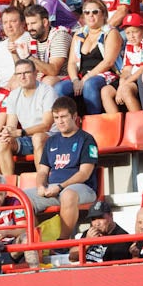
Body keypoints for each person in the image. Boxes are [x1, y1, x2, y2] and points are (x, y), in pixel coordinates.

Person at [31, 98, 99, 239]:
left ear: (74, 117)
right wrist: (41, 186)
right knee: (21, 198)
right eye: (56, 118)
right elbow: (43, 171)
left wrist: (60, 187)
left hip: (81, 188)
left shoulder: (87, 139)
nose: (60, 121)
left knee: (68, 195)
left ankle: (62, 243)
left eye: (63, 117)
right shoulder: (51, 141)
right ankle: (34, 240)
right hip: (54, 189)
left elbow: (84, 173)